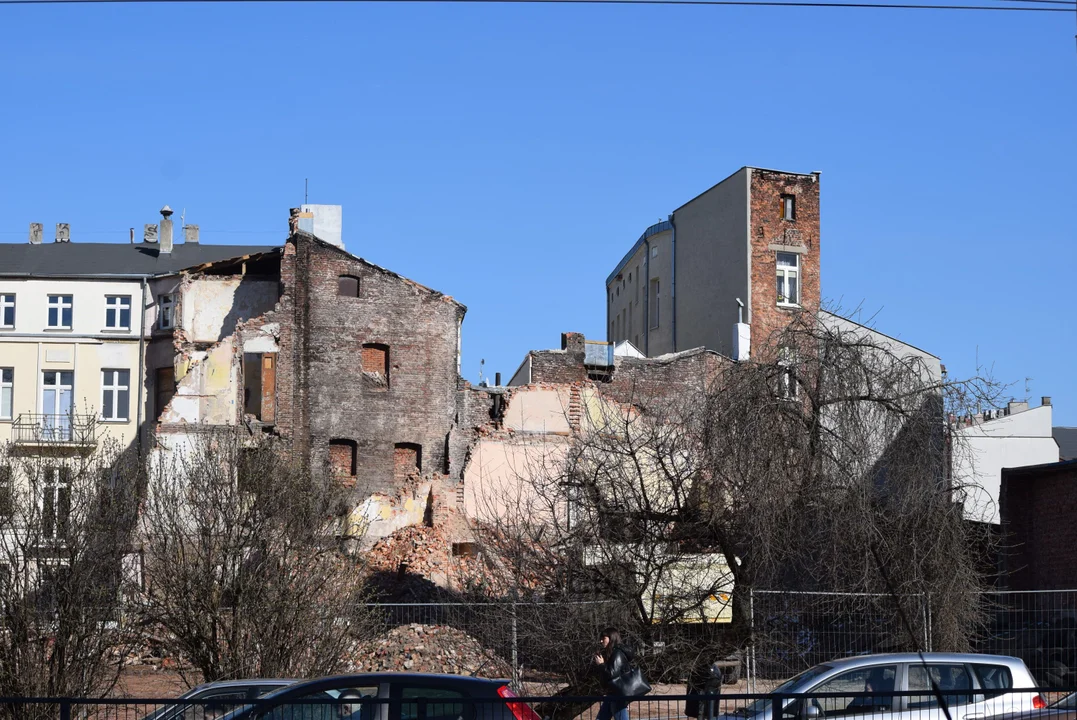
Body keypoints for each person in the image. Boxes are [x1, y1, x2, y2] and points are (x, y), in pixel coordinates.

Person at [592, 627, 632, 720]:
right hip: (612, 694)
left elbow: (611, 674)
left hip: (617, 695)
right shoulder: (613, 653)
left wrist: (601, 665)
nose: (601, 641)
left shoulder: (617, 653)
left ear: (611, 638)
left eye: (604, 638)